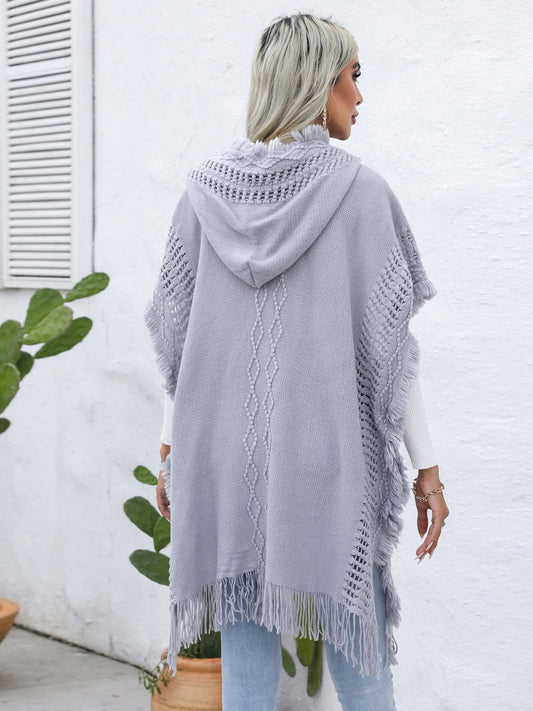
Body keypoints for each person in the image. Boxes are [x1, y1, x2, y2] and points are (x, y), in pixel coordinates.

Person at [144, 13, 450, 711]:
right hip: (326, 463)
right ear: (317, 83)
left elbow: (182, 345)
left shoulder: (201, 194)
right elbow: (391, 349)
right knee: (359, 658)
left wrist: (170, 451)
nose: (359, 96)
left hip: (225, 460)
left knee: (246, 666)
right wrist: (426, 469)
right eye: (352, 78)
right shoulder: (361, 193)